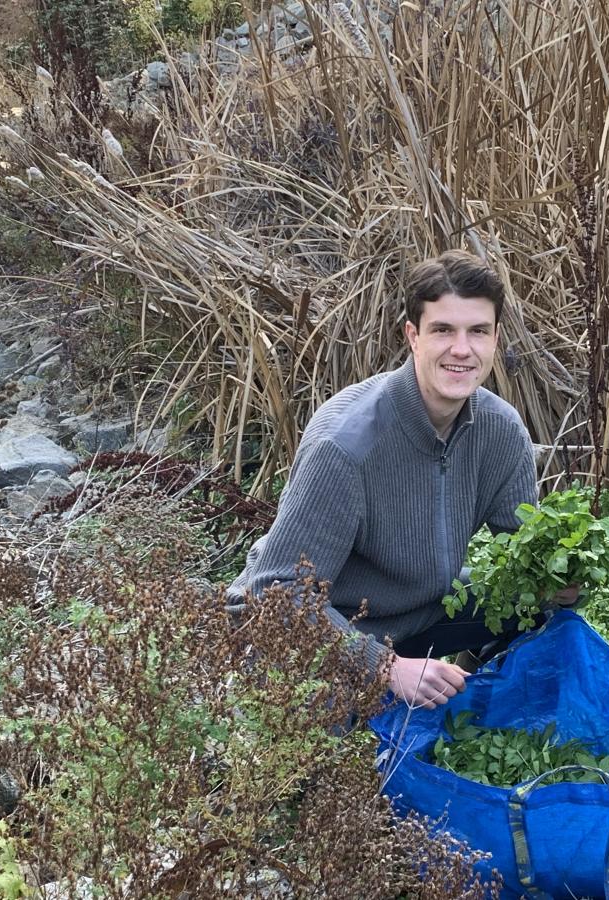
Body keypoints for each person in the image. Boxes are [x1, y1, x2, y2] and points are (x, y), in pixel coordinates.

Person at [228, 250, 575, 709]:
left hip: (422, 610)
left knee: (541, 609)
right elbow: (275, 596)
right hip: (321, 632)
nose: (462, 349)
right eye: (443, 330)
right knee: (340, 756)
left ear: (495, 339)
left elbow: (525, 560)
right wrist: (386, 666)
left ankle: (477, 709)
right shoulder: (345, 444)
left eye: (477, 332)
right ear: (413, 335)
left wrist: (564, 578)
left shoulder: (500, 429)